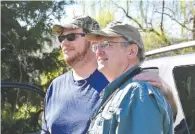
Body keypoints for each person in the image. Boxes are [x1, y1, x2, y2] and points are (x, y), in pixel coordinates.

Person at [41, 16, 175, 134]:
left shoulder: (135, 91)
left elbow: (159, 116)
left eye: (71, 36)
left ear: (131, 51)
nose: (64, 42)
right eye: (61, 38)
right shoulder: (56, 86)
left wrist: (168, 93)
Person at [86, 22, 174, 134]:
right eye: (95, 46)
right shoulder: (123, 92)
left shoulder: (137, 93)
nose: (98, 52)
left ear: (131, 51)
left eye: (106, 44)